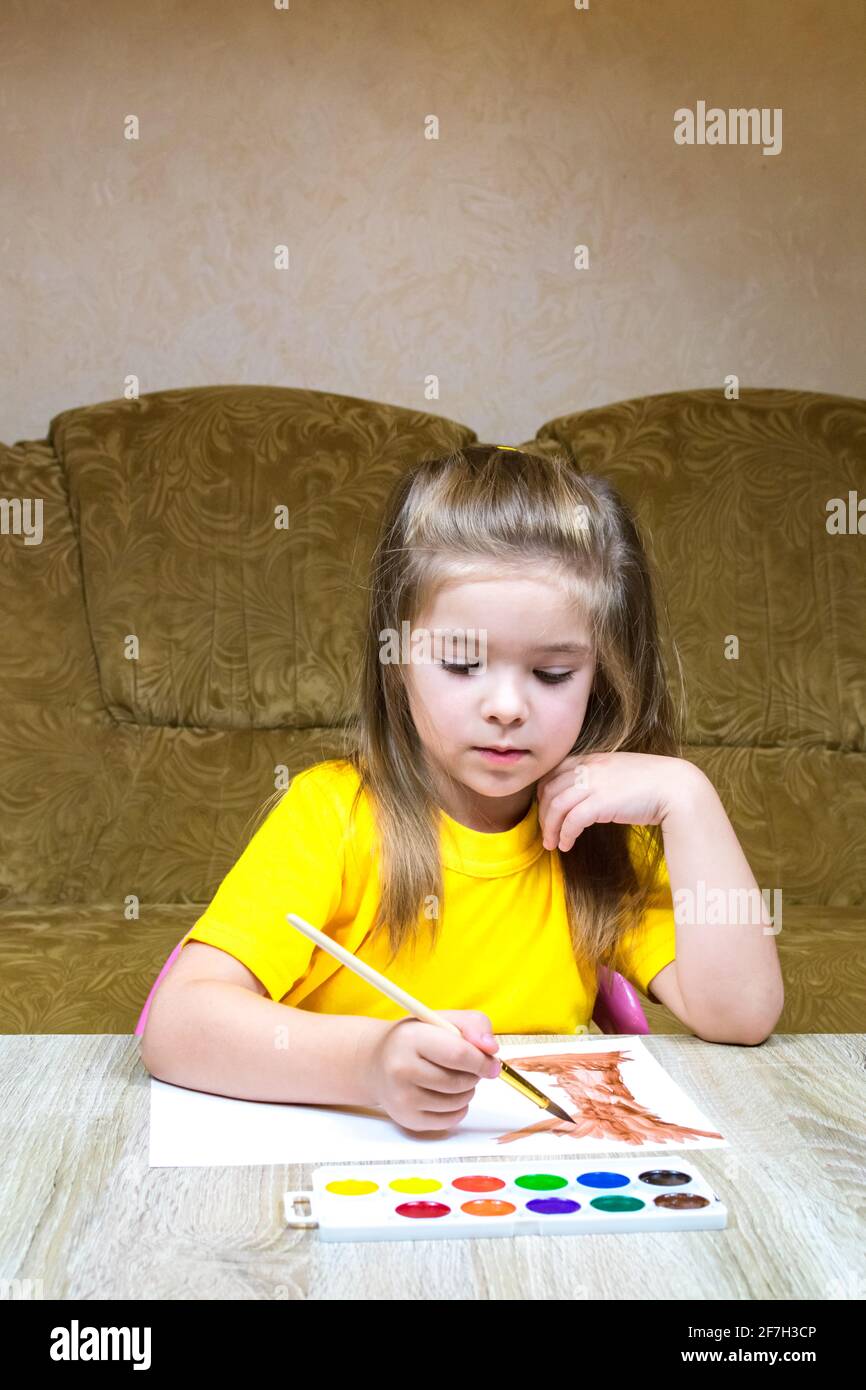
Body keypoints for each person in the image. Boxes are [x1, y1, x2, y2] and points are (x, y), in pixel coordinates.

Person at [139, 445, 784, 1132]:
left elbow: (742, 1016)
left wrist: (690, 798)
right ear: (399, 664)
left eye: (553, 674)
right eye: (462, 662)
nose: (506, 706)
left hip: (534, 1187)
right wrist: (371, 1064)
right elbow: (175, 1028)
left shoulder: (599, 838)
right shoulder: (333, 815)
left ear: (601, 677)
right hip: (346, 1173)